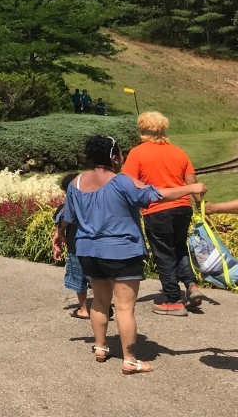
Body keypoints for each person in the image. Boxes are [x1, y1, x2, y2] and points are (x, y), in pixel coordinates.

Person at [55, 134, 206, 374]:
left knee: (100, 301)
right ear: (114, 157)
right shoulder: (122, 181)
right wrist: (190, 187)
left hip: (88, 252)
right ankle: (130, 360)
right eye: (121, 155)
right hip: (121, 251)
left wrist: (59, 235)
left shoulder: (76, 183)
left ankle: (101, 347)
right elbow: (156, 195)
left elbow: (67, 217)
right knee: (125, 308)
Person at [122, 111, 204, 315]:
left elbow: (127, 183)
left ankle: (172, 299)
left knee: (163, 253)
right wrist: (201, 207)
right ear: (163, 129)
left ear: (143, 130)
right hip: (183, 207)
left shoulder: (137, 153)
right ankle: (191, 285)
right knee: (179, 248)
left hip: (157, 208)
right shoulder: (179, 152)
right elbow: (192, 183)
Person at [54, 173, 89, 318]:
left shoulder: (64, 208)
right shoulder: (93, 203)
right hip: (96, 245)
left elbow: (62, 222)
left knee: (79, 278)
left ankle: (83, 309)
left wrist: (58, 237)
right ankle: (103, 306)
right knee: (99, 278)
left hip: (76, 246)